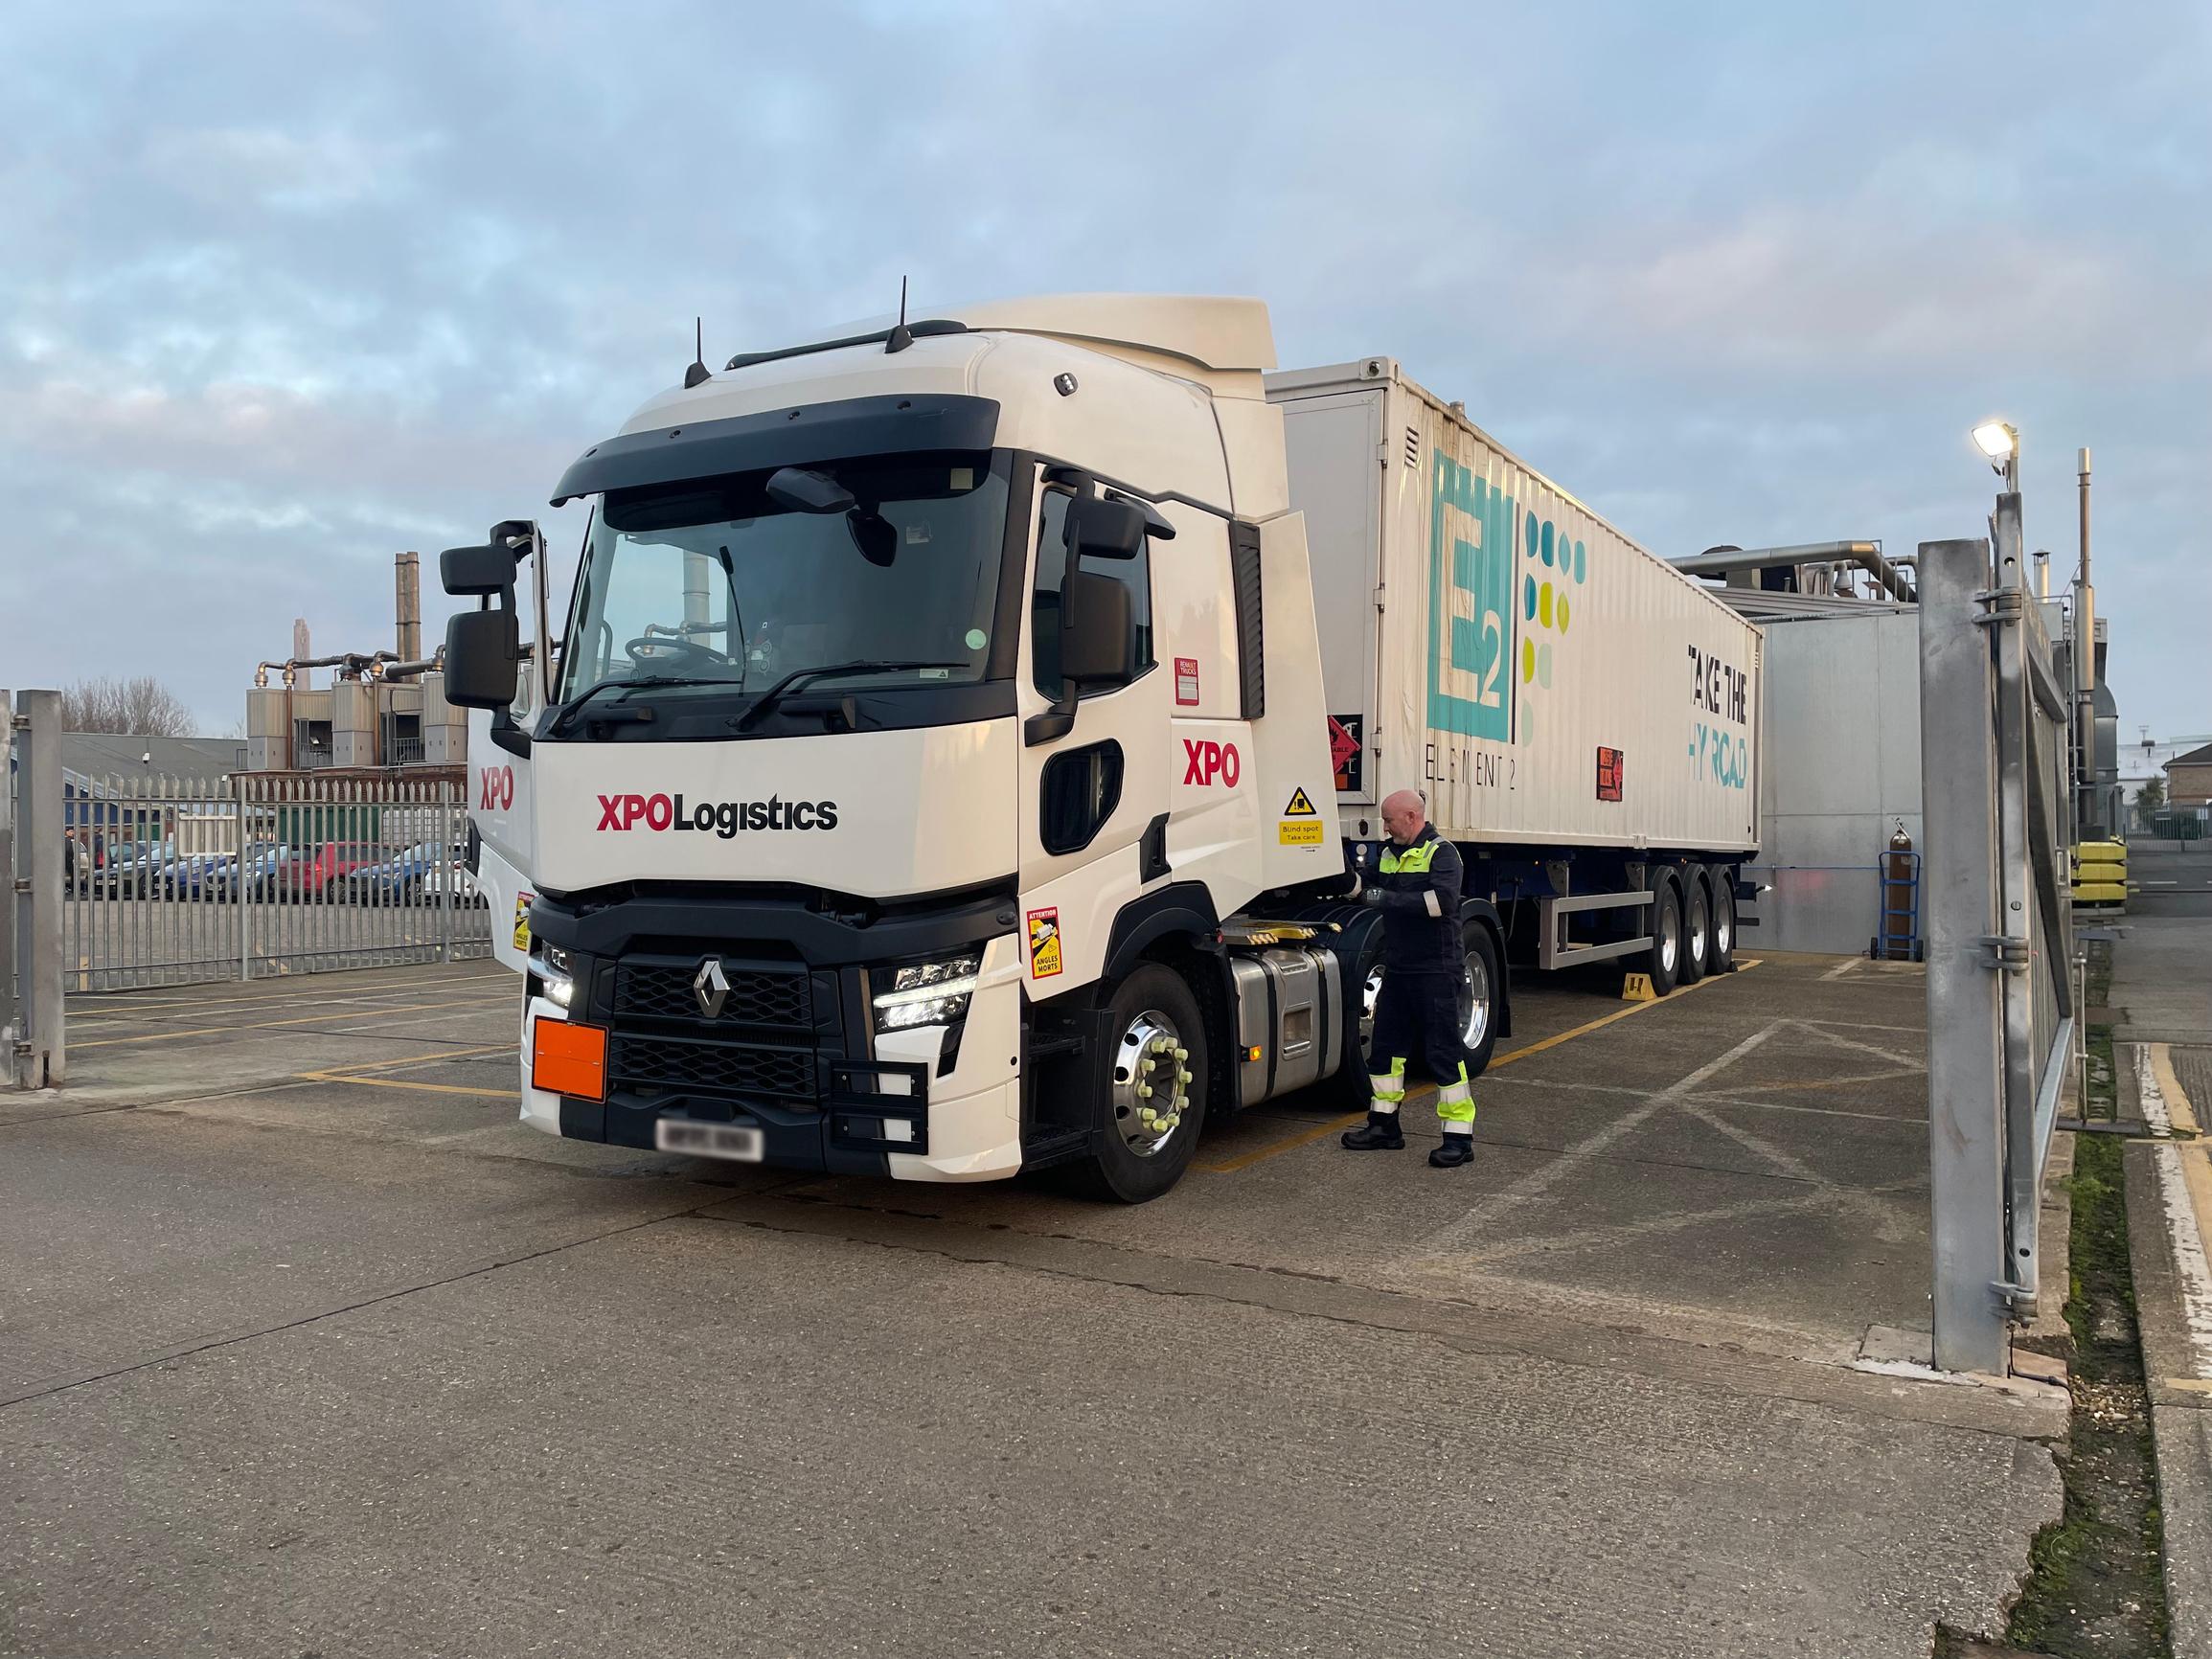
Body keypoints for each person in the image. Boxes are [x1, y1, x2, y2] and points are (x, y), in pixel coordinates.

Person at [1342, 788, 1477, 1168]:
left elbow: (1441, 904)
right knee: (1385, 1050)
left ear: (1412, 818)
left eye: (1389, 820)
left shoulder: (1443, 853)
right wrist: (1338, 873)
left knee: (1443, 1053)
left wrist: (1380, 898)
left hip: (1436, 968)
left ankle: (1458, 1139)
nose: (1385, 827)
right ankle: (1384, 1127)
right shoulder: (1388, 854)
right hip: (1400, 968)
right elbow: (1359, 889)